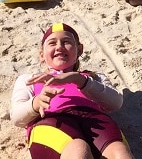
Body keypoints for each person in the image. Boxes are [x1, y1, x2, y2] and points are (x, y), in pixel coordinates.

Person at [10, 23, 133, 159]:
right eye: (52, 43)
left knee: (120, 154)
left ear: (79, 50)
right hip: (53, 120)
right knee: (79, 151)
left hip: (96, 119)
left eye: (66, 42)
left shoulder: (93, 77)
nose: (59, 47)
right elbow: (17, 118)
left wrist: (79, 80)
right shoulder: (30, 79)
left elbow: (116, 102)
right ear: (42, 55)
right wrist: (37, 103)